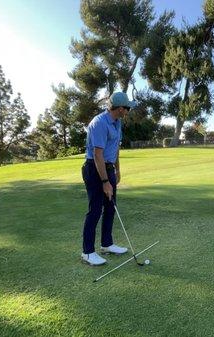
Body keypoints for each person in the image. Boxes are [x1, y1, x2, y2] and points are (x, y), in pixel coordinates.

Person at [81, 92, 135, 266]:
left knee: (111, 207)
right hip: (95, 169)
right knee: (95, 210)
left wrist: (117, 171)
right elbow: (97, 155)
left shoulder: (117, 123)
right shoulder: (99, 123)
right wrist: (105, 182)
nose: (128, 111)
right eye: (127, 108)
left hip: (109, 168)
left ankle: (107, 244)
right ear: (120, 108)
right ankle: (88, 252)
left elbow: (115, 148)